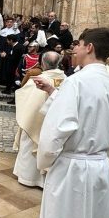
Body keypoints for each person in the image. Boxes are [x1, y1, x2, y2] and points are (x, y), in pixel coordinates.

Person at [32, 28, 109, 218]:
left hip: (71, 168)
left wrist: (44, 163)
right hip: (99, 166)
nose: (73, 49)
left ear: (89, 48)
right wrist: (54, 92)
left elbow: (57, 131)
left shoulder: (76, 82)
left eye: (78, 44)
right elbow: (100, 118)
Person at [12, 52, 66, 188]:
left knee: (29, 142)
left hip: (35, 121)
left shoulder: (38, 79)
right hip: (54, 123)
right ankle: (43, 181)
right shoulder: (66, 79)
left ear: (42, 63)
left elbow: (26, 101)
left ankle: (28, 178)